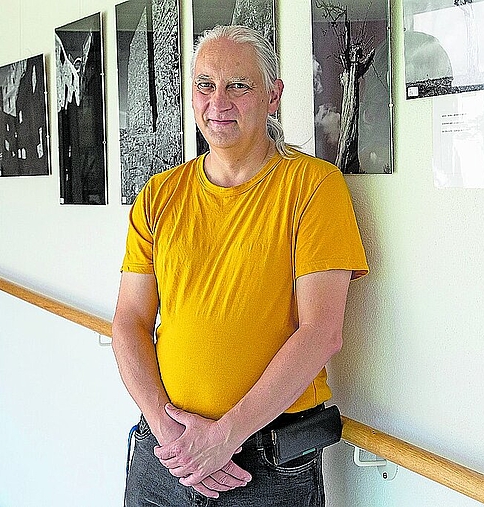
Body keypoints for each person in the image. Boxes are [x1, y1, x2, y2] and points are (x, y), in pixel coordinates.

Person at [112, 25, 368, 507]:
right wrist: (168, 431)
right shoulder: (160, 195)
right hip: (164, 451)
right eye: (205, 85)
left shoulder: (312, 186)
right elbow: (129, 321)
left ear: (273, 95)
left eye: (238, 85)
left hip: (266, 464)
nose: (218, 102)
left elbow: (321, 332)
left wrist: (224, 437)